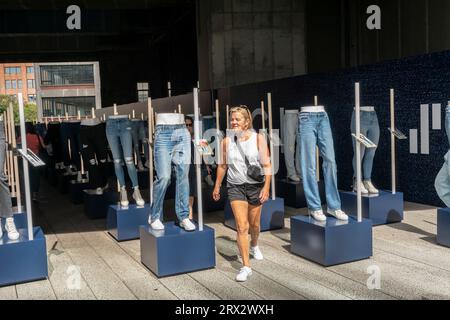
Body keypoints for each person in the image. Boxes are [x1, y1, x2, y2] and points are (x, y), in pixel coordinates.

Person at [213, 105, 272, 282]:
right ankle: (246, 266)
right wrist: (217, 186)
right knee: (242, 226)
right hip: (235, 187)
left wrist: (266, 187)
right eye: (232, 119)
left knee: (254, 225)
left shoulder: (258, 139)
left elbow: (267, 165)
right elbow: (222, 166)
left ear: (247, 121)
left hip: (255, 186)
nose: (234, 122)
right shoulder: (226, 141)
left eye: (237, 119)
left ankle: (254, 244)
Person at [185, 116, 214, 219]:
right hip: (188, 168)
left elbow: (207, 155)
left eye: (189, 125)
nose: (188, 127)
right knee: (190, 190)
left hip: (199, 168)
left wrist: (207, 166)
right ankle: (190, 211)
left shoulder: (199, 138)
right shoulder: (181, 140)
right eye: (186, 125)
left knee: (209, 185)